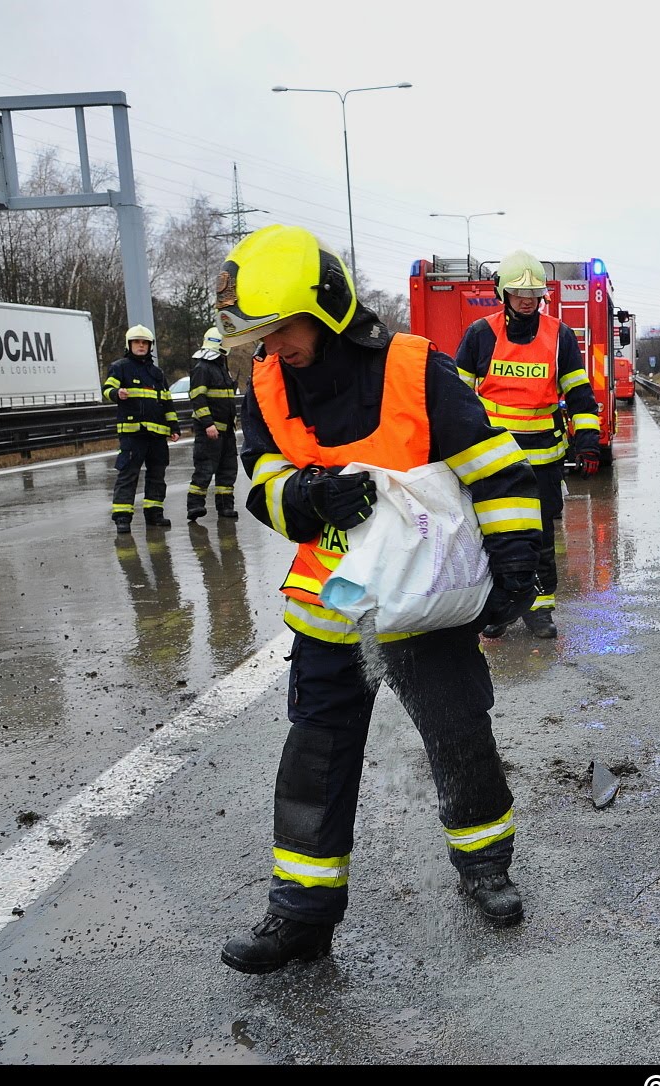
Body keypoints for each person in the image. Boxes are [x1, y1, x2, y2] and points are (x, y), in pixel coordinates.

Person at [213, 225, 544, 974]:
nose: (270, 347)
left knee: (459, 735)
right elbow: (261, 483)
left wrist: (515, 564)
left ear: (325, 308)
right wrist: (306, 496)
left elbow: (495, 470)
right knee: (316, 756)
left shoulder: (415, 369)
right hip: (329, 607)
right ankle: (301, 914)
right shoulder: (264, 382)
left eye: (280, 329)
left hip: (423, 602)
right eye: (258, 335)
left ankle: (485, 866)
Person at [454, 249, 601, 639]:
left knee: (540, 538)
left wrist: (588, 440)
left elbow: (579, 394)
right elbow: (456, 397)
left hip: (543, 459)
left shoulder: (559, 335)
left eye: (534, 293)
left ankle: (539, 609)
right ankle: (499, 609)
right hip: (493, 460)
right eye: (519, 292)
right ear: (503, 292)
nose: (526, 300)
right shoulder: (480, 334)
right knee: (493, 535)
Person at [101, 324, 179, 534]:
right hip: (133, 433)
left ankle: (154, 514)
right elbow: (107, 389)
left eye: (145, 342)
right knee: (128, 475)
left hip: (157, 435)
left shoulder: (157, 373)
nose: (141, 346)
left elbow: (167, 402)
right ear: (129, 345)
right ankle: (122, 518)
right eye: (137, 342)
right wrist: (117, 393)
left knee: (157, 476)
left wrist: (174, 426)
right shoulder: (120, 367)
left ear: (150, 346)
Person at [184, 326, 241, 524]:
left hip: (226, 431)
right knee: (204, 469)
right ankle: (194, 506)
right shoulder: (202, 368)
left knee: (228, 470)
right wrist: (208, 424)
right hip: (209, 430)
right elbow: (197, 398)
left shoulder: (221, 367)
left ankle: (226, 506)